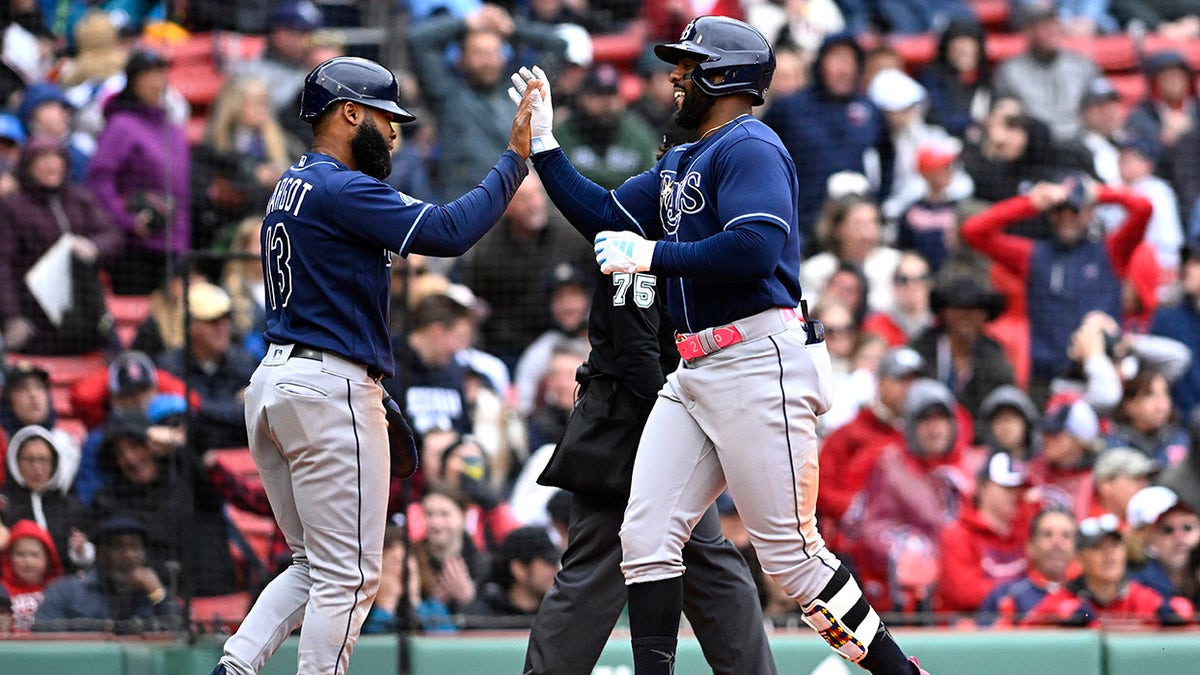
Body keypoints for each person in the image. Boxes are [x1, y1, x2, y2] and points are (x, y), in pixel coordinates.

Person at [511, 16, 927, 674]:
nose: (675, 76)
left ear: (726, 76)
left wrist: (651, 254)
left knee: (792, 559)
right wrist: (545, 148)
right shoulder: (681, 156)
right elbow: (608, 216)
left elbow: (755, 247)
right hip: (697, 367)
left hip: (761, 358)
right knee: (646, 538)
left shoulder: (751, 145)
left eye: (688, 64)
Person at [209, 56, 539, 675]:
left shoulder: (295, 182)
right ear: (349, 113)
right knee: (352, 574)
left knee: (312, 565)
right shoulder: (341, 188)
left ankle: (234, 667)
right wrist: (514, 158)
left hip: (278, 382)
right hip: (328, 386)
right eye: (386, 118)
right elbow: (449, 231)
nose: (394, 133)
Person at [524, 189, 775, 673]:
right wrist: (682, 426)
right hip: (627, 431)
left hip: (668, 426)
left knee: (711, 569)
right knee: (600, 573)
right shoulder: (638, 239)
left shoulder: (688, 246)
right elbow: (637, 357)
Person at [1022, 512, 1194, 626]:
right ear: (1080, 558)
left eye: (1115, 546)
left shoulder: (1140, 597)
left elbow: (1181, 616)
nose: (1109, 555)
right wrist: (1053, 621)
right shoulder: (1062, 601)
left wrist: (1180, 612)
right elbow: (1023, 640)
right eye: (1098, 548)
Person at [33, 515, 182, 633]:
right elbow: (45, 638)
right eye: (119, 547)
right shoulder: (65, 591)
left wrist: (157, 594)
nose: (130, 555)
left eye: (136, 547)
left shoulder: (153, 592)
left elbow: (181, 638)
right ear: (100, 554)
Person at [979, 507, 1077, 624]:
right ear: (1030, 546)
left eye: (1066, 535)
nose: (1057, 542)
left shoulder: (1088, 597)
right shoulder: (1006, 597)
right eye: (1047, 534)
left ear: (1077, 548)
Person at [1126, 486, 1200, 602]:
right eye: (1167, 530)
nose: (1179, 537)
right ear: (1149, 538)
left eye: (1187, 527)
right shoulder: (1137, 586)